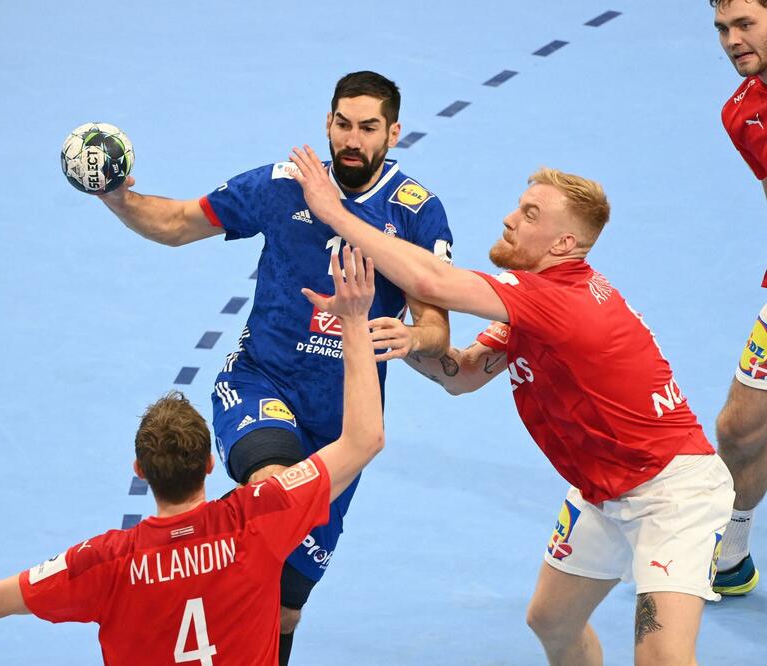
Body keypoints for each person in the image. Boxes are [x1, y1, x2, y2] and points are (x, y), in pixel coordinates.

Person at [0, 247, 384, 665]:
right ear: (207, 464)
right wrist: (354, 322)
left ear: (139, 471)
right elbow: (362, 440)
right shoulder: (261, 516)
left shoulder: (105, 564)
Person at [288, 146, 735, 666]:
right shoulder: (542, 300)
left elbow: (432, 281)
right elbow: (464, 374)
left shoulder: (556, 302)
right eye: (518, 206)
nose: (509, 218)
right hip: (602, 489)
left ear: (565, 243)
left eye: (530, 215)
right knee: (551, 620)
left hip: (672, 489)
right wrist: (400, 340)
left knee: (661, 656)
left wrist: (334, 213)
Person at [93, 70, 453, 660]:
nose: (352, 139)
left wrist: (416, 338)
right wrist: (116, 196)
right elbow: (178, 223)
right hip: (262, 380)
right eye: (343, 125)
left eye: (368, 128)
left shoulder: (416, 211)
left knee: (287, 603)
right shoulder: (281, 186)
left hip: (344, 420)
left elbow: (437, 325)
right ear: (327, 123)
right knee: (273, 497)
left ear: (393, 133)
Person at [709, 0, 767, 596]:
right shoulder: (741, 111)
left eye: (745, 24)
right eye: (723, 29)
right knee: (741, 428)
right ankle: (731, 555)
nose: (732, 40)